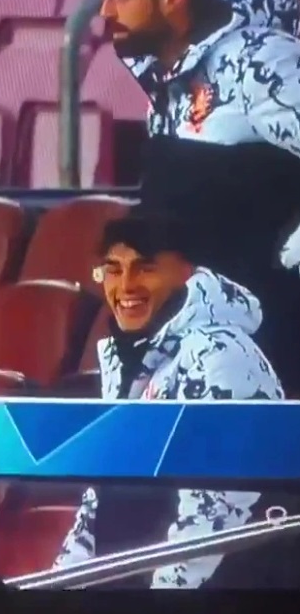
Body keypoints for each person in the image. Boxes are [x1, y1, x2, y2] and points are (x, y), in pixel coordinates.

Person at [53, 214, 297, 589]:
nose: (126, 285)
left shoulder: (220, 354)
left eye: (145, 268)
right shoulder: (125, 358)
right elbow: (99, 504)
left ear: (186, 272)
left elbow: (213, 522)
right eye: (113, 270)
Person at [99, 0, 300, 392]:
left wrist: (290, 256)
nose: (106, 11)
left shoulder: (261, 61)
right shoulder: (166, 85)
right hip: (184, 345)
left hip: (263, 351)